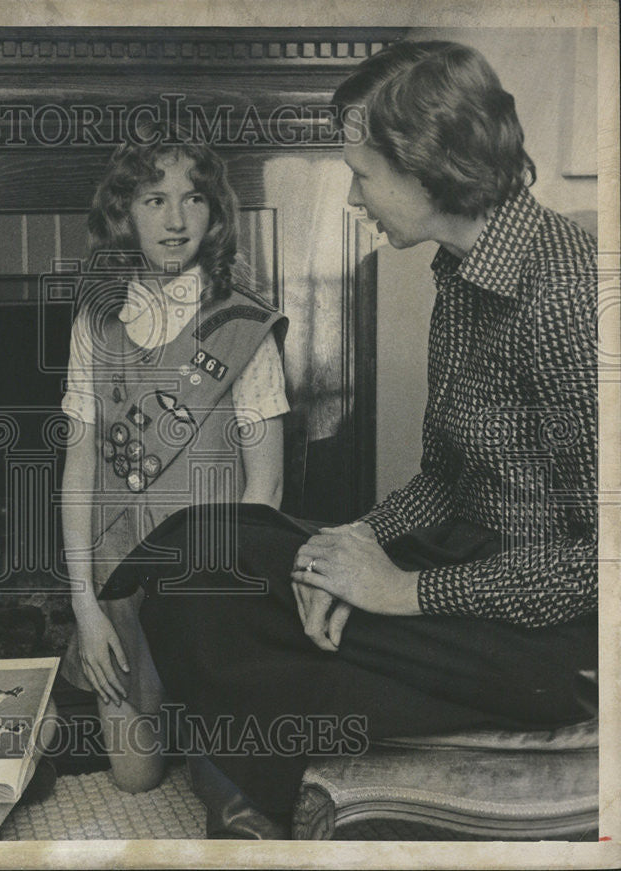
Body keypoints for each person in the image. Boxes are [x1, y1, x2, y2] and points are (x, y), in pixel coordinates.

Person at [122, 40, 598, 835]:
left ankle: (257, 808)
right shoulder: (461, 270)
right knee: (194, 551)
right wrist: (342, 549)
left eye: (363, 173)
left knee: (242, 637)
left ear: (427, 166)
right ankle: (258, 774)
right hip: (461, 567)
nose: (352, 196)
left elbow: (605, 559)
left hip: (549, 640)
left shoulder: (568, 294)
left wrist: (398, 591)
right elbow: (444, 478)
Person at [59, 122, 290, 792]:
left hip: (208, 587)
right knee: (135, 778)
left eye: (194, 199)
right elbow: (77, 474)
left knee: (222, 782)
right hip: (120, 582)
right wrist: (85, 607)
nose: (175, 219)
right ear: (124, 215)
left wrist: (218, 616)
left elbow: (267, 487)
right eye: (154, 200)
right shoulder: (94, 323)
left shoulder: (242, 325)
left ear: (215, 215)